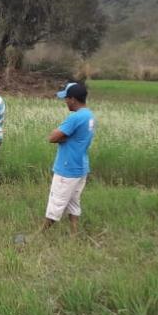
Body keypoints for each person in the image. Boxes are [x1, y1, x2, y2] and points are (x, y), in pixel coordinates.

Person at [42, 82, 96, 234]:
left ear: (73, 99)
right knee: (73, 202)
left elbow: (52, 137)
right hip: (81, 167)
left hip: (67, 168)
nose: (65, 101)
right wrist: (65, 137)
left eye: (66, 98)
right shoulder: (89, 115)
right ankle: (74, 234)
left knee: (56, 203)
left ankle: (39, 234)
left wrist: (62, 137)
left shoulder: (75, 118)